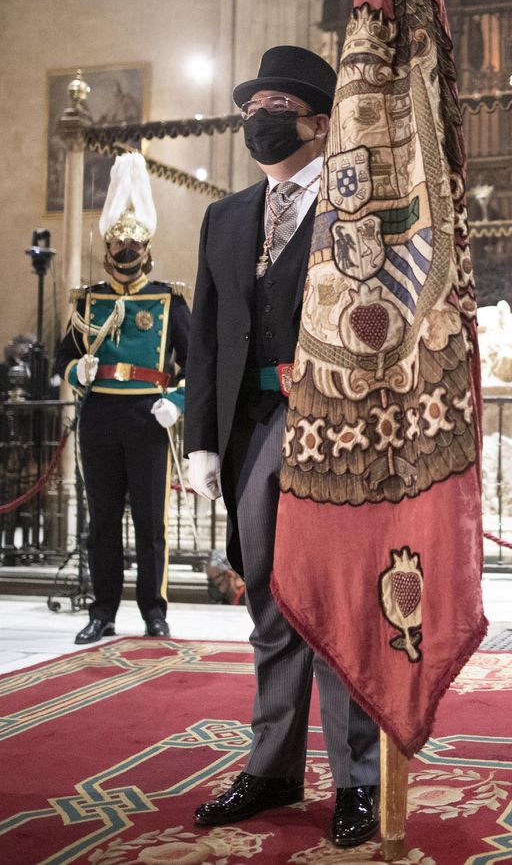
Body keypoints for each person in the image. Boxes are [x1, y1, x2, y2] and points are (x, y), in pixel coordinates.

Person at [186, 46, 380, 848]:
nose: (259, 120)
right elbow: (204, 339)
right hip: (249, 426)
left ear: (319, 122)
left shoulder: (358, 208)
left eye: (275, 106)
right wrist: (199, 442)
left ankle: (358, 779)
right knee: (267, 598)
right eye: (250, 107)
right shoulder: (224, 216)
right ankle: (271, 765)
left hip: (332, 428)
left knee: (332, 602)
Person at [56, 151, 188, 646]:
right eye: (119, 240)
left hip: (148, 417)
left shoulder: (168, 300)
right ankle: (102, 612)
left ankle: (154, 611)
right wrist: (77, 369)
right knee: (102, 521)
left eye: (134, 241)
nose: (126, 247)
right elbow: (60, 359)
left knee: (151, 523)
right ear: (108, 245)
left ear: (146, 245)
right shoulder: (87, 300)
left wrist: (176, 400)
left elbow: (197, 365)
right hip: (100, 417)